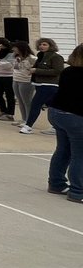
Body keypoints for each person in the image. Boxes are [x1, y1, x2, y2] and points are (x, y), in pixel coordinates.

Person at [46, 43, 83, 202]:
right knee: (79, 155)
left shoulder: (68, 71)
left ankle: (56, 183)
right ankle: (78, 191)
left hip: (56, 112)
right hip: (75, 116)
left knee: (63, 149)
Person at [20, 38, 63, 134]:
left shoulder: (56, 57)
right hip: (39, 84)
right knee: (52, 106)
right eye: (40, 44)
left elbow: (57, 71)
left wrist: (37, 71)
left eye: (44, 44)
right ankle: (56, 126)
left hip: (49, 85)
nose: (41, 46)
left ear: (50, 46)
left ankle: (28, 126)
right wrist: (32, 71)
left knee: (35, 104)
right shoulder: (40, 56)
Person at [11, 40, 37, 126]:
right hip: (16, 79)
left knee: (27, 101)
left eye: (15, 47)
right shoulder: (16, 57)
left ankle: (28, 121)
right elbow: (15, 67)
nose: (13, 49)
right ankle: (23, 119)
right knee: (20, 100)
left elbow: (34, 69)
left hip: (26, 81)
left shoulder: (32, 58)